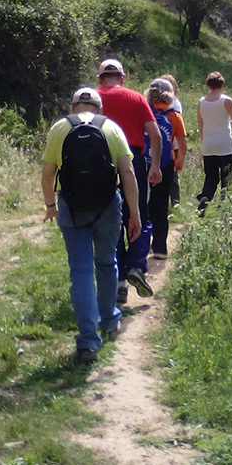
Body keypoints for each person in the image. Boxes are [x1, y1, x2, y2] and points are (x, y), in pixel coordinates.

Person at [41, 87, 141, 364]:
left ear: (74, 106)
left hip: (71, 207)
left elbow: (48, 174)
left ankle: (87, 344)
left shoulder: (60, 128)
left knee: (81, 271)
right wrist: (135, 214)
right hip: (108, 206)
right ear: (99, 107)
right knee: (107, 262)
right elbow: (128, 171)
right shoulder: (111, 127)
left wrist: (50, 205)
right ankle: (109, 321)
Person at [97, 58, 162, 303]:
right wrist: (155, 165)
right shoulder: (136, 98)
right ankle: (136, 265)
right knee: (139, 216)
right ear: (122, 78)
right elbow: (155, 134)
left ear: (101, 79)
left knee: (112, 220)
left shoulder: (92, 98)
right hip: (134, 160)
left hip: (102, 163)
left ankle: (120, 283)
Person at [196, 71, 232, 215]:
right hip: (225, 145)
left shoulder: (201, 102)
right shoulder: (226, 101)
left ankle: (202, 207)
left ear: (208, 85)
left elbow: (200, 125)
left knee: (210, 178)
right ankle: (225, 210)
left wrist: (204, 141)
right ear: (222, 85)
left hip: (208, 145)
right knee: (227, 179)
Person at [145, 78, 187, 259]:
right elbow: (182, 142)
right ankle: (160, 248)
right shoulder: (175, 115)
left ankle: (143, 244)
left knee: (143, 204)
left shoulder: (145, 111)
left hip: (145, 162)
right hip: (165, 163)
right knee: (161, 205)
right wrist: (180, 159)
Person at [159, 73, 183, 208]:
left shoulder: (175, 104)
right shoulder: (174, 103)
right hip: (170, 143)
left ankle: (175, 204)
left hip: (171, 144)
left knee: (172, 175)